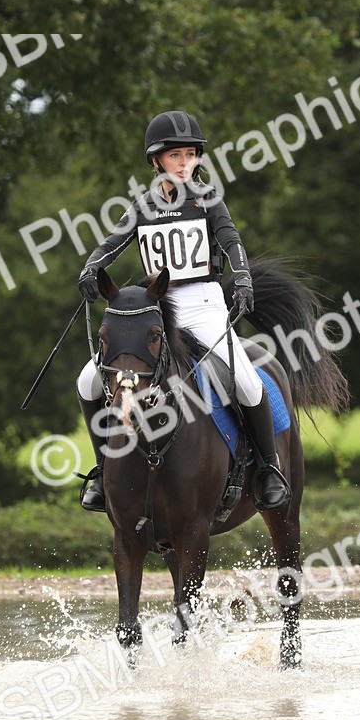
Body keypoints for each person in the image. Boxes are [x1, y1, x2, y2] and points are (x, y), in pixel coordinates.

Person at [76, 109, 291, 514]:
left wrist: (242, 277)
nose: (185, 162)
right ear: (156, 161)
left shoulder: (208, 200)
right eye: (176, 155)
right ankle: (102, 470)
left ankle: (268, 470)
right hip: (156, 308)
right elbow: (110, 245)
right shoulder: (141, 207)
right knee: (88, 380)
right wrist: (90, 268)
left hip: (205, 304)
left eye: (191, 154)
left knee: (247, 382)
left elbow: (230, 241)